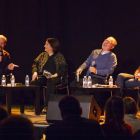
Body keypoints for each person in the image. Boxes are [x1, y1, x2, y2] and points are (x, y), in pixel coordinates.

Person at [30, 38, 67, 113]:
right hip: (44, 77)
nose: (44, 46)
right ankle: (39, 104)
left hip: (56, 77)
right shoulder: (42, 55)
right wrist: (35, 72)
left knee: (50, 81)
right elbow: (35, 64)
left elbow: (63, 69)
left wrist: (53, 76)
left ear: (52, 46)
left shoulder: (59, 56)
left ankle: (47, 106)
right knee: (33, 83)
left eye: (46, 44)